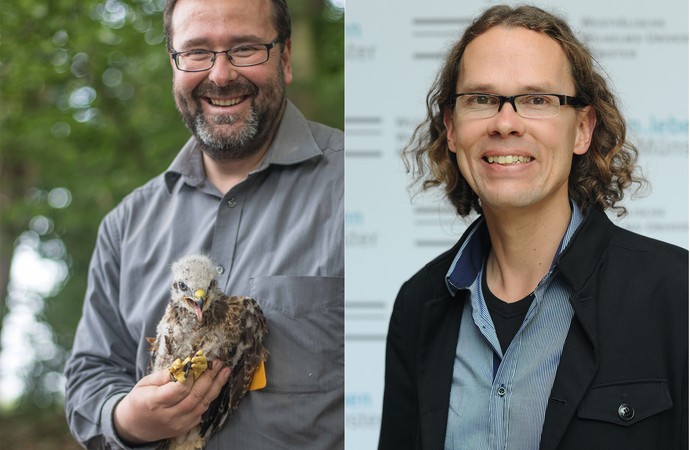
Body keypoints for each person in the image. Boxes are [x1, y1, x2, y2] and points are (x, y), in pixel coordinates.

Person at [378, 4, 687, 450]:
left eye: (538, 99)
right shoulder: (419, 305)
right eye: (481, 99)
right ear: (451, 127)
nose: (505, 123)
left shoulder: (677, 293)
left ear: (582, 129)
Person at [64, 0, 343, 448]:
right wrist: (127, 420)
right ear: (174, 65)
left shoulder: (358, 188)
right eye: (196, 52)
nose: (220, 74)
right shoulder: (125, 225)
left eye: (245, 48)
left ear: (285, 58)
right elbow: (88, 375)